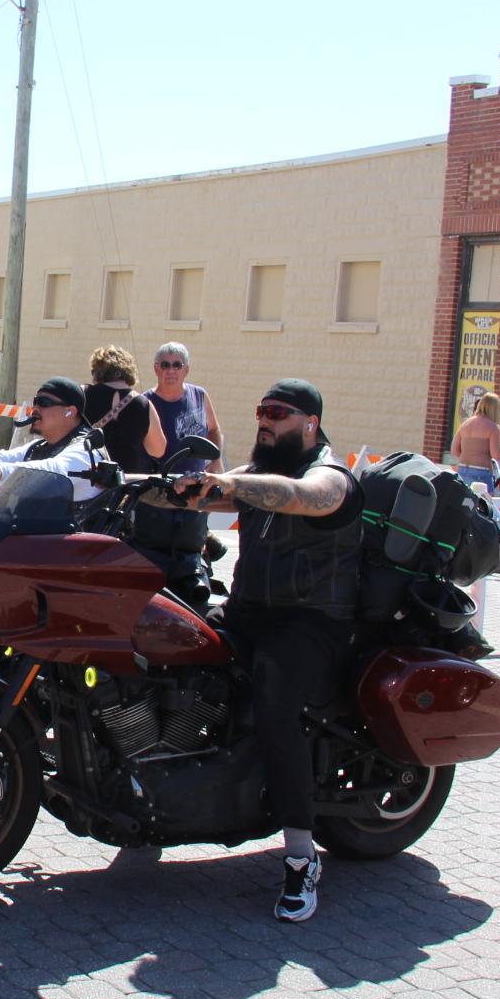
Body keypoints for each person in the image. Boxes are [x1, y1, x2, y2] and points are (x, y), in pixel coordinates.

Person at [174, 379, 363, 923]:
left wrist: (228, 482)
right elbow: (203, 492)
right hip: (250, 611)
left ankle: (301, 856)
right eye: (261, 410)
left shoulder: (332, 476)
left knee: (276, 701)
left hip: (311, 621)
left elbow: (302, 496)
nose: (265, 420)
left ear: (310, 423)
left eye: (278, 413)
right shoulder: (258, 474)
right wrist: (133, 484)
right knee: (171, 644)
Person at [0, 377, 101, 500]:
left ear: (69, 411)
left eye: (44, 402)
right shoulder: (40, 446)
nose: (35, 408)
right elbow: (4, 457)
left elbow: (53, 469)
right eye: (35, 401)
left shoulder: (86, 450)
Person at [84, 345, 165, 473]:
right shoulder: (144, 403)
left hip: (90, 474)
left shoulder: (83, 394)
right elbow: (158, 450)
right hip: (128, 480)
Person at [145, 341, 222, 471]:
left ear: (186, 370)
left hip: (196, 480)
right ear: (156, 369)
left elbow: (214, 430)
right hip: (161, 480)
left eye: (177, 365)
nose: (171, 370)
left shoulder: (200, 395)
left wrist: (216, 461)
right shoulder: (145, 403)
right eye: (165, 365)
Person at [449, 391, 500, 497]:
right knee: (485, 504)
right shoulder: (492, 427)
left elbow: (454, 450)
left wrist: (471, 455)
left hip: (462, 470)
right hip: (481, 473)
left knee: (464, 502)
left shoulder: (466, 424)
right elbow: (496, 454)